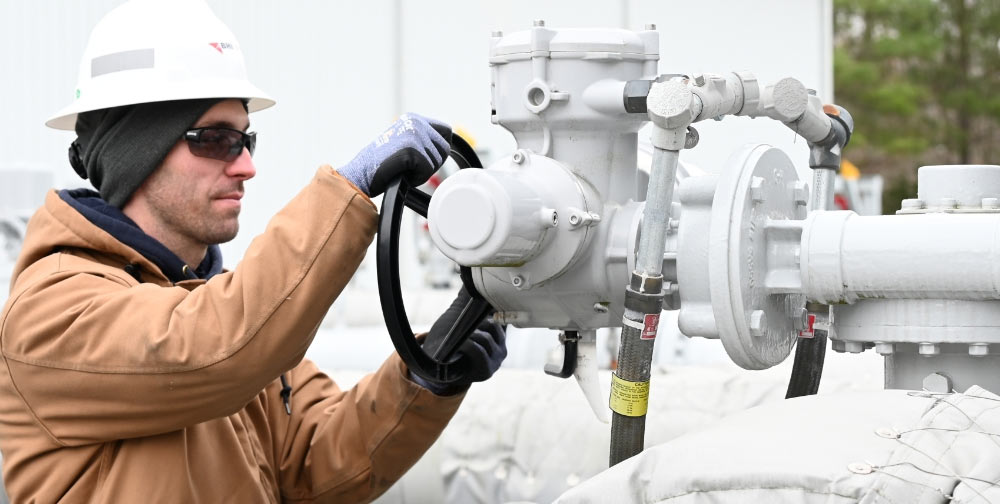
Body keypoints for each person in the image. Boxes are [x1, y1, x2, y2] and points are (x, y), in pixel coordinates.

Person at [0, 0, 506, 502]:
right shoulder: (51, 313)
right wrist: (347, 189)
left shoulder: (234, 315)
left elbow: (319, 466)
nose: (246, 167)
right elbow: (213, 349)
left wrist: (422, 378)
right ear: (137, 153)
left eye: (247, 141)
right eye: (217, 140)